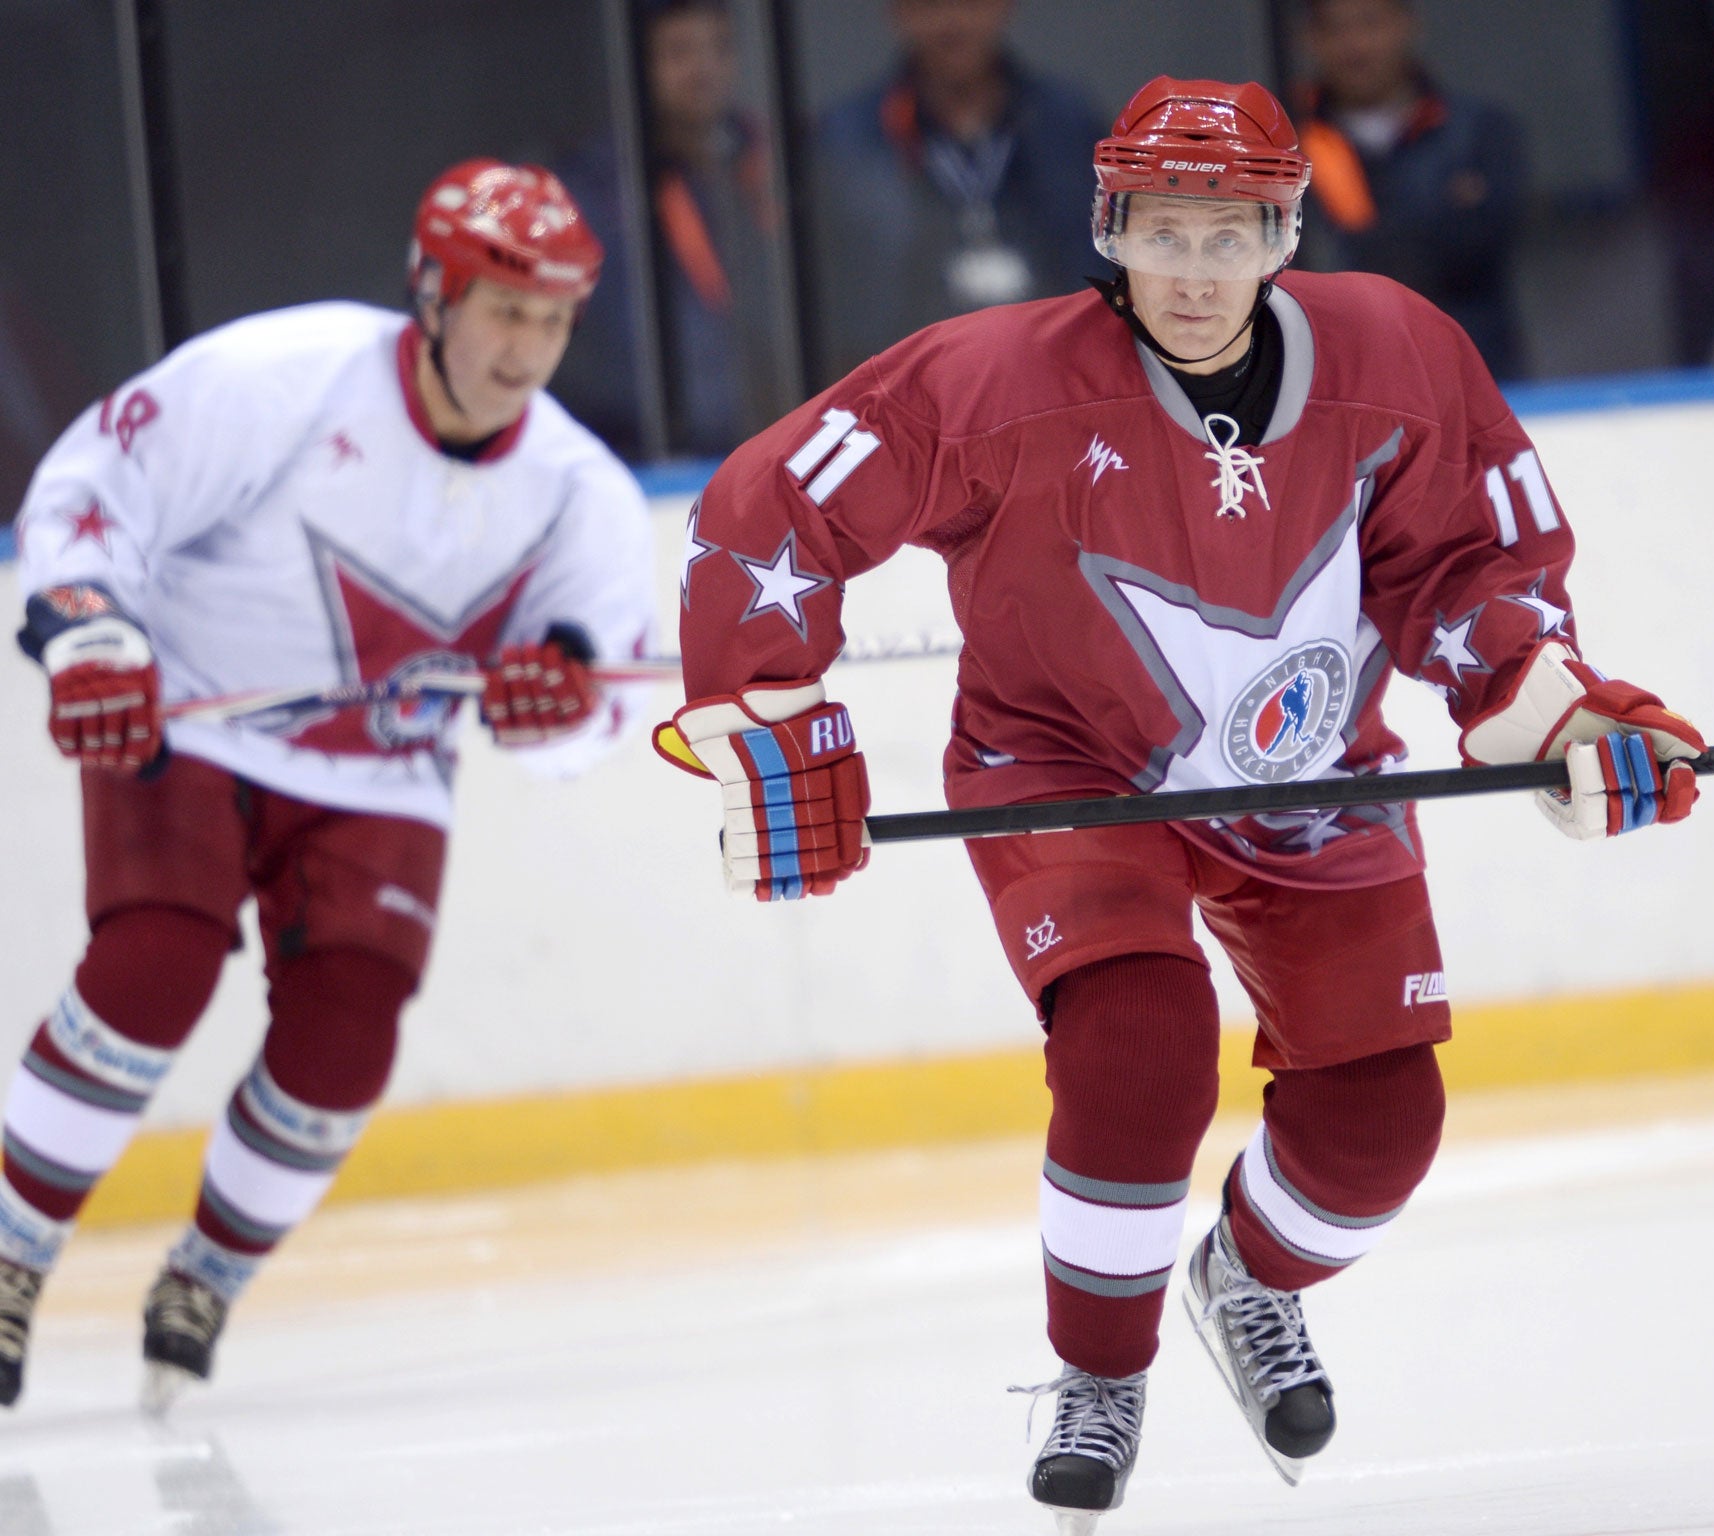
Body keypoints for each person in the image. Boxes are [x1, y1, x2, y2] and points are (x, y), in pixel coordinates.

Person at [653, 76, 1703, 1525]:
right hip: (1068, 761)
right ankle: (1100, 1375)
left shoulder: (1399, 355)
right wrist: (771, 724)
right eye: (1164, 230)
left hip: (1311, 765)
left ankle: (1244, 1283)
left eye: (1231, 233)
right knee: (1139, 1052)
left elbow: (1470, 575)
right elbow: (770, 509)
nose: (1194, 272)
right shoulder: (993, 381)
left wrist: (1558, 710)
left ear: (1284, 236)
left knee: (1382, 1127)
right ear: (1113, 228)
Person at [0, 160, 655, 1410]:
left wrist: (556, 705)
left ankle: (203, 1277)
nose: (528, 349)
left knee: (344, 1040)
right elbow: (93, 488)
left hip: (378, 772)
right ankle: (10, 1256)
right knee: (153, 969)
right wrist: (91, 635)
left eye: (555, 318)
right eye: (505, 309)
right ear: (432, 292)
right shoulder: (278, 379)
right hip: (191, 712)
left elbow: (602, 701)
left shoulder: (578, 492)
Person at [807, 0, 1105, 378]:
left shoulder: (1068, 123)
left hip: (1056, 382)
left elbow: (1102, 273)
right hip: (906, 394)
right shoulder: (847, 139)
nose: (952, 23)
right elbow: (839, 306)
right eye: (931, 6)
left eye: (969, 4)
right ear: (897, 11)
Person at [555, 0, 798, 457]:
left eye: (719, 48)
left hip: (781, 438)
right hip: (654, 454)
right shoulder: (597, 190)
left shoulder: (772, 159)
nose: (703, 68)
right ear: (638, 65)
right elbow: (601, 356)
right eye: (679, 51)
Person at [1293, 0, 1529, 379]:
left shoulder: (1480, 131)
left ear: (1408, 25)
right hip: (1341, 381)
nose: (1356, 45)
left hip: (1475, 376)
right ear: (1309, 39)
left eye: (1371, 23)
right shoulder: (1286, 142)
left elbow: (1484, 242)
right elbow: (1296, 267)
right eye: (1336, 29)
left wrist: (1364, 249)